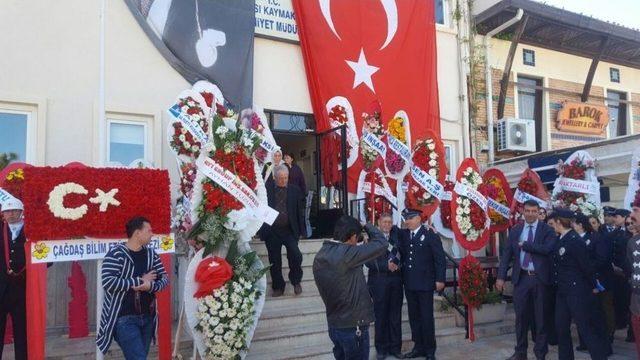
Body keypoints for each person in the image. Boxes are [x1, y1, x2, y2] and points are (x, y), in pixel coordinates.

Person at [313, 215, 388, 360]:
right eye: (357, 237)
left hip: (335, 323)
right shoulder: (347, 254)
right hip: (353, 326)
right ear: (353, 236)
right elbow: (382, 243)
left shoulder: (321, 254)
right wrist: (366, 224)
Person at [96, 216, 169, 359]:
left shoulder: (151, 254)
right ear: (137, 233)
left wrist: (149, 286)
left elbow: (164, 279)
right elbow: (108, 282)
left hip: (148, 318)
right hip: (124, 319)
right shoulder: (116, 254)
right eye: (149, 230)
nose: (152, 234)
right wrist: (138, 281)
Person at [496, 200, 557, 360]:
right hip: (521, 279)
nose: (530, 213)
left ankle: (540, 353)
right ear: (523, 212)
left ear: (538, 212)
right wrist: (501, 277)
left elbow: (548, 249)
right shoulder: (516, 230)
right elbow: (507, 255)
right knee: (521, 318)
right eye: (528, 211)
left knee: (541, 319)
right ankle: (520, 352)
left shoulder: (547, 230)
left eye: (534, 211)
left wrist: (528, 245)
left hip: (540, 279)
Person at [549, 209, 608, 360]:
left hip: (577, 291)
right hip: (563, 290)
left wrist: (594, 284)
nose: (552, 225)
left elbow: (586, 266)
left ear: (559, 222)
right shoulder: (561, 238)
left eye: (554, 222)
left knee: (585, 329)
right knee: (561, 328)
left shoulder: (575, 241)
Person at [397, 209, 446, 360]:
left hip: (425, 283)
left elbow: (439, 259)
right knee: (414, 318)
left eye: (410, 219)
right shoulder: (405, 235)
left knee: (426, 318)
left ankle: (430, 350)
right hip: (410, 283)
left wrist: (440, 279)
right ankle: (418, 347)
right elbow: (390, 231)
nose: (407, 222)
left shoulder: (430, 235)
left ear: (418, 218)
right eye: (405, 219)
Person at [261, 164, 305, 297]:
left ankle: (296, 281)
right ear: (274, 177)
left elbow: (299, 211)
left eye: (286, 178)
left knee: (296, 255)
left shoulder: (294, 190)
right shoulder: (266, 189)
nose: (283, 181)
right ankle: (278, 287)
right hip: (272, 231)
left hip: (289, 230)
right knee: (274, 260)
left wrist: (301, 230)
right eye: (280, 178)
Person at [572, 214, 613, 355]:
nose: (572, 226)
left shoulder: (595, 238)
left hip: (596, 282)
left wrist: (587, 269)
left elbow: (602, 259)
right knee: (584, 315)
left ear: (580, 225)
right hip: (581, 284)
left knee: (598, 316)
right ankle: (585, 343)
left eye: (574, 223)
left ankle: (605, 347)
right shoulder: (574, 239)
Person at [365, 213, 403, 360]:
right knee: (380, 317)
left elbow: (404, 254)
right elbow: (368, 261)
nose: (387, 225)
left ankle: (395, 348)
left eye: (389, 222)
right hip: (379, 283)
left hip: (396, 282)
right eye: (384, 222)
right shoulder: (372, 240)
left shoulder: (397, 237)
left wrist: (397, 265)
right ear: (379, 223)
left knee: (395, 316)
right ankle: (381, 349)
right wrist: (385, 266)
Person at [0, 198, 28, 360]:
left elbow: (45, 259)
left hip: (22, 291)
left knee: (22, 334)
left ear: (21, 212)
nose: (10, 214)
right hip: (1, 290)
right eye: (6, 211)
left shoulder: (32, 231)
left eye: (13, 211)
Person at [610, 208, 632, 337]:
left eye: (616, 216)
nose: (614, 219)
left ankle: (631, 332)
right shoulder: (616, 232)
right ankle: (623, 322)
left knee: (630, 302)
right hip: (617, 272)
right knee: (621, 300)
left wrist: (624, 269)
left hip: (628, 272)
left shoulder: (630, 235)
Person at [627, 202, 640, 358]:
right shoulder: (632, 243)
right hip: (637, 304)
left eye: (635, 211)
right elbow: (632, 269)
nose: (631, 216)